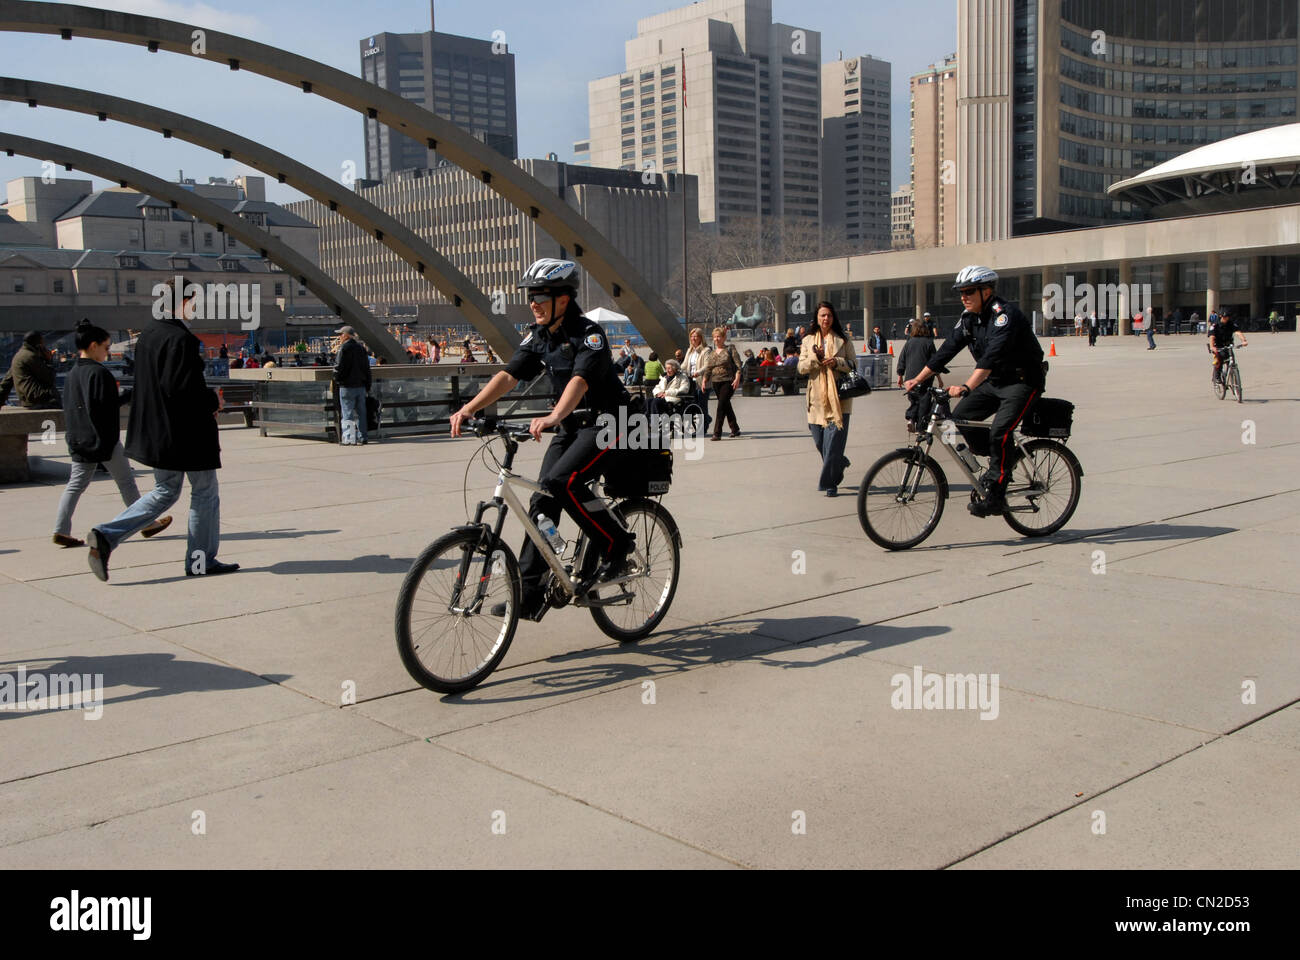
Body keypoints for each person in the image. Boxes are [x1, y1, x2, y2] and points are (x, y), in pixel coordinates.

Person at [449, 258, 634, 621]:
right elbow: (509, 375)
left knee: (562, 482)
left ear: (563, 299)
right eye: (530, 295)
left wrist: (553, 416)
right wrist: (469, 408)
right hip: (573, 427)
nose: (532, 302)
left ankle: (617, 547)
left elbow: (580, 382)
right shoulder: (539, 337)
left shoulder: (589, 335)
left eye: (540, 296)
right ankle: (531, 594)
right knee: (541, 502)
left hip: (612, 424)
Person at [86, 288, 237, 581]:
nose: (195, 308)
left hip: (159, 432)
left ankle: (105, 534)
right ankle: (200, 561)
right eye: (193, 302)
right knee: (205, 492)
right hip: (188, 432)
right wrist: (212, 401)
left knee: (165, 490)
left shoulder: (149, 335)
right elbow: (181, 388)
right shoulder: (181, 339)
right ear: (182, 301)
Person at [903, 266, 1045, 518]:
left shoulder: (1004, 315)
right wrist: (917, 378)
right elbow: (947, 349)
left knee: (1000, 430)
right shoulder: (969, 318)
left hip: (1022, 382)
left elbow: (991, 357)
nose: (963, 297)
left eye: (968, 291)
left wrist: (967, 386)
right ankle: (1001, 463)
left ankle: (997, 493)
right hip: (994, 382)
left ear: (986, 291)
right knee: (961, 420)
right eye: (960, 292)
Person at [51, 320, 172, 548]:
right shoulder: (99, 373)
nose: (108, 352)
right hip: (103, 440)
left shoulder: (73, 374)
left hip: (78, 439)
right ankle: (146, 523)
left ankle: (60, 529)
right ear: (94, 345)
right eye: (106, 348)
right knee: (126, 483)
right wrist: (129, 395)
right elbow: (105, 407)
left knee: (75, 485)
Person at [799, 302, 856, 496]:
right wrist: (817, 360)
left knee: (832, 444)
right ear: (817, 317)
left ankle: (830, 483)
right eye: (822, 315)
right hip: (815, 399)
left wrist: (837, 362)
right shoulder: (807, 340)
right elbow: (801, 368)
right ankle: (839, 462)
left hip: (838, 399)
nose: (826, 319)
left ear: (834, 318)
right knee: (819, 442)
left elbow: (853, 364)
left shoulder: (843, 339)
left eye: (829, 316)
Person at [897, 319, 942, 431]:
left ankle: (911, 419)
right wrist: (939, 378)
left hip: (910, 377)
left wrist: (900, 376)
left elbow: (902, 359)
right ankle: (921, 427)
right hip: (924, 377)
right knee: (924, 401)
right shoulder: (929, 342)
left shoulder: (909, 342)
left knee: (913, 399)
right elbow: (934, 362)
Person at [700, 325, 743, 441]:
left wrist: (737, 378)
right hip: (716, 382)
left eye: (719, 336)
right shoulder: (712, 353)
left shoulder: (730, 349)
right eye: (714, 337)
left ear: (724, 338)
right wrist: (704, 380)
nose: (716, 339)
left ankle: (717, 432)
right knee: (726, 405)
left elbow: (738, 365)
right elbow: (708, 368)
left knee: (721, 406)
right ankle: (735, 429)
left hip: (728, 381)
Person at [0, 331, 61, 408]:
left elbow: (7, 382)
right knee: (54, 395)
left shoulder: (19, 355)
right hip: (35, 399)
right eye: (42, 343)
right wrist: (48, 360)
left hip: (26, 399)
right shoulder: (31, 357)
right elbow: (49, 378)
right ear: (37, 344)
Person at [332, 326, 371, 446]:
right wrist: (367, 384)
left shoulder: (343, 348)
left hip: (347, 386)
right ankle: (362, 436)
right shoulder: (361, 348)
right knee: (361, 412)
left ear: (346, 335)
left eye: (340, 334)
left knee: (347, 412)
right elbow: (367, 368)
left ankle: (349, 438)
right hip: (361, 385)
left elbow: (338, 367)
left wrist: (337, 379)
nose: (339, 337)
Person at [684, 327, 712, 433]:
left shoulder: (706, 350)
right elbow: (684, 365)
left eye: (695, 336)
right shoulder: (689, 350)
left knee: (701, 405)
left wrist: (698, 372)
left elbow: (707, 365)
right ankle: (707, 419)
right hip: (691, 382)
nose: (693, 338)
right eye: (691, 336)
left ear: (701, 338)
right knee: (695, 406)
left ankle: (703, 428)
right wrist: (674, 368)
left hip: (702, 382)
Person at [1208, 312, 1248, 384]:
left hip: (1228, 345)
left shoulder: (1231, 324)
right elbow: (1212, 336)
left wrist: (1244, 340)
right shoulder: (1215, 325)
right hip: (1218, 346)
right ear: (1221, 316)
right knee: (1219, 360)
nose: (1226, 318)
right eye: (1224, 317)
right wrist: (1212, 346)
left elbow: (1238, 332)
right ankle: (1217, 377)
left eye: (1227, 317)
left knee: (1231, 360)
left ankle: (1232, 375)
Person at [651, 357, 692, 422]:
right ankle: (649, 422)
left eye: (669, 368)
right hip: (662, 397)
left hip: (673, 398)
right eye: (666, 368)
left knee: (655, 402)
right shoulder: (664, 377)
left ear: (675, 369)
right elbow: (657, 387)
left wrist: (667, 393)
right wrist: (658, 393)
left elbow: (684, 389)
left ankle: (655, 422)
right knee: (648, 401)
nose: (667, 370)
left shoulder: (682, 377)